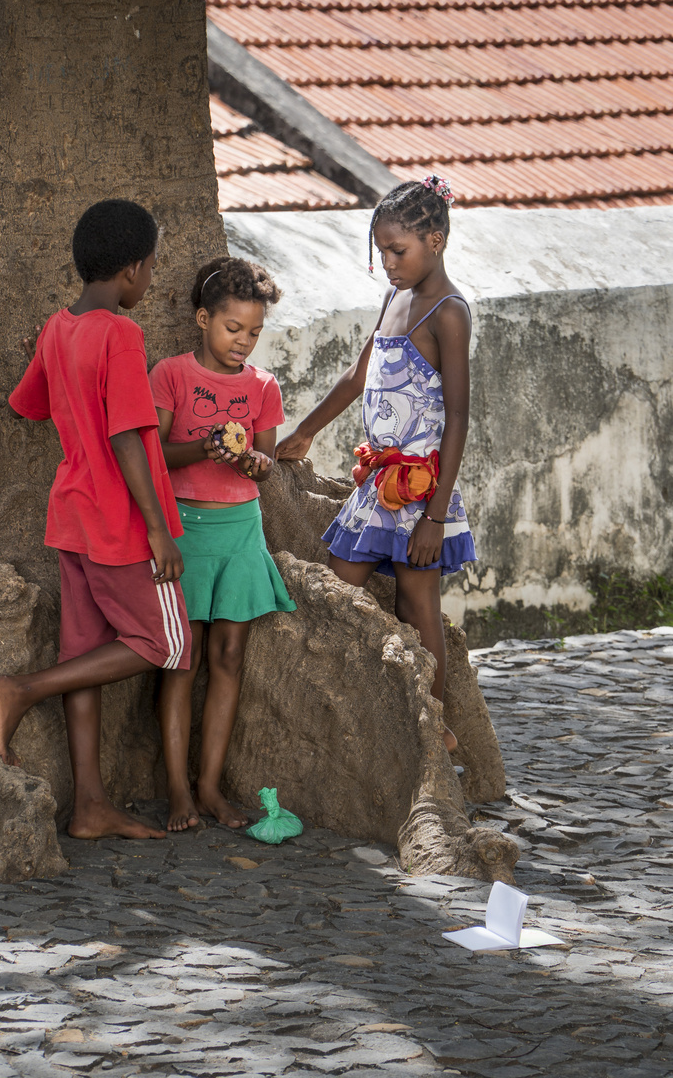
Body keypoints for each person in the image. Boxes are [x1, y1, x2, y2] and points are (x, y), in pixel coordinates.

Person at [0, 198, 190, 841]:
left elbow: (28, 406)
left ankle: (90, 807)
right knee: (169, 644)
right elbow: (130, 433)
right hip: (118, 523)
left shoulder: (58, 327)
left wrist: (40, 354)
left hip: (70, 516)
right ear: (132, 269)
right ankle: (19, 690)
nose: (151, 280)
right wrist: (158, 528)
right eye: (152, 268)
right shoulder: (120, 333)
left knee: (85, 652)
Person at [276, 176, 476, 752]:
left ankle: (432, 730)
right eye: (380, 251)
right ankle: (345, 726)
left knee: (420, 607)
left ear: (434, 240)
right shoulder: (394, 298)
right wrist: (304, 432)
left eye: (398, 251)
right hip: (375, 486)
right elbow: (357, 376)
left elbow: (458, 417)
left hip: (420, 492)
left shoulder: (448, 312)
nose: (387, 263)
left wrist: (434, 517)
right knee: (338, 589)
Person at [149, 256, 296, 832]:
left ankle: (210, 786)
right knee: (180, 660)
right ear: (202, 318)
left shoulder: (262, 386)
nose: (244, 342)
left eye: (255, 333)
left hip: (240, 532)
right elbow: (154, 454)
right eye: (234, 328)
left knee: (228, 657)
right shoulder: (171, 375)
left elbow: (264, 463)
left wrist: (255, 460)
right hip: (185, 529)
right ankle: (178, 791)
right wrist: (204, 448)